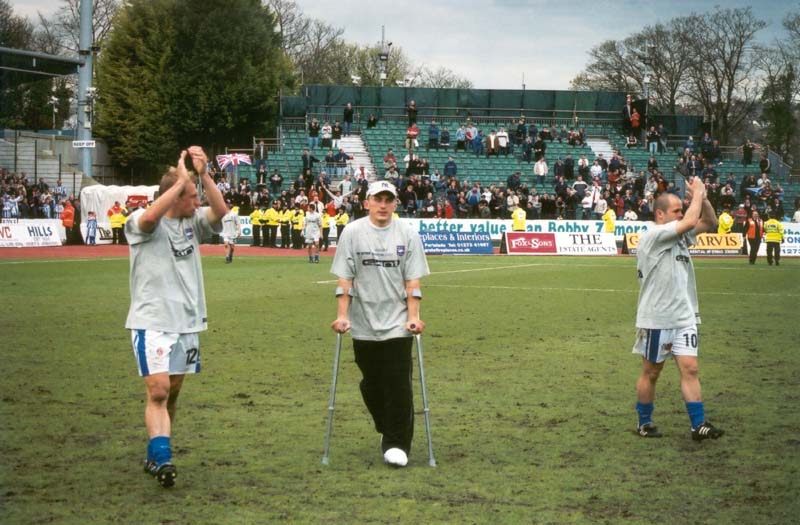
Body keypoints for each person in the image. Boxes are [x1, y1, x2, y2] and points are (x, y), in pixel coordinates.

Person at [125, 146, 227, 488]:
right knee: (158, 391)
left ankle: (154, 451)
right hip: (152, 320)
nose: (198, 203)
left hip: (187, 321)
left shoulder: (192, 223)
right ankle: (163, 458)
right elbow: (151, 218)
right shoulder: (140, 222)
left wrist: (203, 174)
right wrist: (180, 180)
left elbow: (221, 211)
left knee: (174, 391)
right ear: (173, 197)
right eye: (192, 196)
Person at [330, 180, 430, 468]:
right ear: (367, 203)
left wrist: (413, 316)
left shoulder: (408, 235)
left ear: (396, 203)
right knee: (372, 384)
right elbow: (345, 279)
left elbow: (412, 281)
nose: (383, 205)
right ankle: (387, 426)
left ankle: (397, 443)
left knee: (398, 385)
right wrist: (342, 315)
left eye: (389, 199)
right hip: (363, 323)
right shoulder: (352, 232)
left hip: (398, 323)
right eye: (378, 199)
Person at [632, 176, 723, 441]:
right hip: (657, 318)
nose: (681, 214)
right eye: (676, 211)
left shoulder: (681, 235)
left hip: (684, 317)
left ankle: (698, 425)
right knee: (651, 372)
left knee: (690, 368)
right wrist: (696, 195)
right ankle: (644, 422)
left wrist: (703, 198)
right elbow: (691, 222)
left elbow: (710, 222)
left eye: (681, 211)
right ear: (660, 215)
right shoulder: (654, 235)